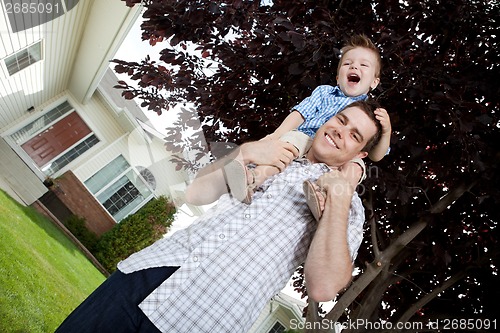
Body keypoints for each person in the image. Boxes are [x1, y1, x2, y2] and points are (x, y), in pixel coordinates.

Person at [55, 100, 382, 333]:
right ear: (328, 119)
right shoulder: (277, 152)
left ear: (361, 155)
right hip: (147, 275)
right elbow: (197, 194)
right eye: (341, 120)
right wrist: (248, 152)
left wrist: (340, 196)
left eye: (354, 135)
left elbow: (323, 287)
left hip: (206, 318)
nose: (341, 131)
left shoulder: (346, 207)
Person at [225, 35, 392, 213]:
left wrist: (386, 131)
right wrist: (276, 136)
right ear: (337, 77)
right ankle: (253, 178)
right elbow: (300, 114)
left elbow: (376, 155)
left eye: (364, 65)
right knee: (285, 149)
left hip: (343, 151)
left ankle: (328, 198)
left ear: (374, 82)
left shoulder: (370, 115)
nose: (354, 66)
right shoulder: (325, 93)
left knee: (357, 165)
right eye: (347, 63)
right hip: (307, 136)